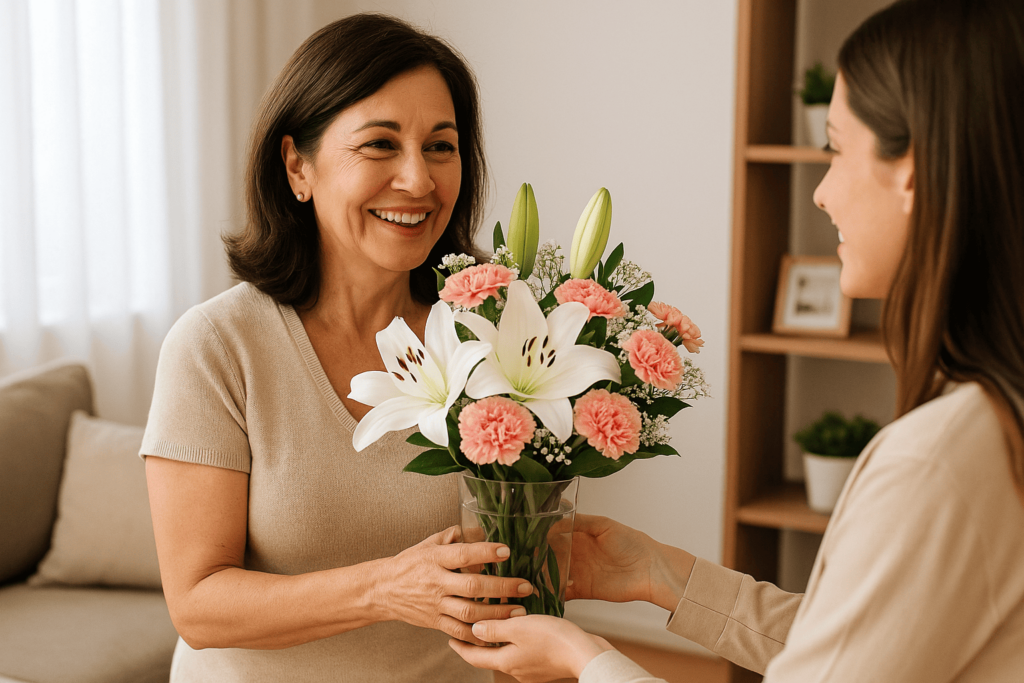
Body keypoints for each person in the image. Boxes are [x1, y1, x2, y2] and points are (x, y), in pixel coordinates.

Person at [451, 0, 1024, 680]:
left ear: (913, 168)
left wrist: (585, 657)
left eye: (836, 151)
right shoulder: (990, 419)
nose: (820, 193)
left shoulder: (937, 462)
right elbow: (853, 649)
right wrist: (663, 574)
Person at [141, 13, 531, 683]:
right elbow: (198, 605)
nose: (418, 179)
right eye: (381, 144)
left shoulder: (492, 334)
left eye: (441, 146)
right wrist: (386, 587)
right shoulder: (216, 347)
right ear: (298, 165)